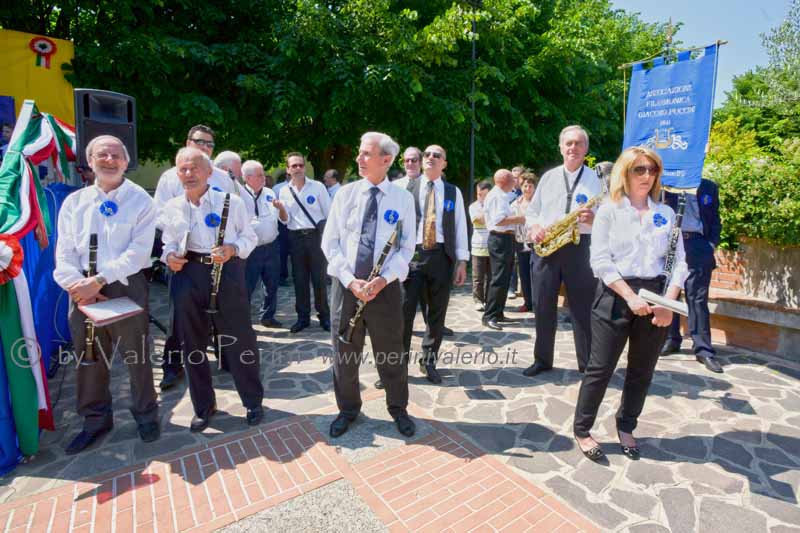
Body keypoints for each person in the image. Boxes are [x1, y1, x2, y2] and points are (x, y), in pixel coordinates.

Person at [573, 146, 688, 461]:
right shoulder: (610, 211)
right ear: (625, 173)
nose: (647, 176)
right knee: (600, 368)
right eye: (640, 169)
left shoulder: (665, 214)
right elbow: (600, 261)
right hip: (615, 294)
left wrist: (668, 303)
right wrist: (630, 297)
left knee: (642, 371)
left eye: (652, 170)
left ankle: (626, 426)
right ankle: (582, 429)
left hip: (657, 299)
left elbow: (680, 263)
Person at [53, 135, 159, 454]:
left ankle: (146, 415)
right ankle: (95, 420)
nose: (110, 159)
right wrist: (77, 285)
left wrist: (97, 280)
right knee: (89, 358)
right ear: (90, 161)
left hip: (125, 285)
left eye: (116, 154)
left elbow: (139, 253)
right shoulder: (75, 203)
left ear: (126, 162)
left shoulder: (141, 200)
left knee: (136, 356)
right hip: (83, 291)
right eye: (102, 154)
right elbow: (64, 252)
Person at [160, 147, 264, 431]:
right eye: (183, 169)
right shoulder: (172, 207)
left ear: (209, 172)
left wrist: (233, 248)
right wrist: (169, 257)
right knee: (191, 342)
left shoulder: (230, 201)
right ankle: (204, 406)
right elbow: (168, 242)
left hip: (226, 270)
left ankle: (253, 401)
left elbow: (249, 236)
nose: (189, 174)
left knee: (239, 337)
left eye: (194, 168)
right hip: (188, 272)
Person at [322, 131, 416, 438]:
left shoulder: (403, 199)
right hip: (347, 287)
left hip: (384, 289)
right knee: (345, 354)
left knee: (390, 352)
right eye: (360, 153)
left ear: (386, 160)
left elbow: (406, 248)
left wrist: (383, 279)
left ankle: (398, 408)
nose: (359, 159)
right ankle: (348, 409)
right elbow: (331, 243)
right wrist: (351, 281)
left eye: (366, 154)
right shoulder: (345, 195)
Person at [153, 125, 236, 390]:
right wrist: (171, 251)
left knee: (221, 311)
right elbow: (158, 217)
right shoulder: (169, 177)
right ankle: (173, 365)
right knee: (179, 316)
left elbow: (238, 212)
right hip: (183, 257)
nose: (206, 147)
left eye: (211, 144)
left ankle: (228, 357)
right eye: (201, 142)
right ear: (188, 142)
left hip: (217, 256)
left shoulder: (222, 177)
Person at [524, 125, 603, 376]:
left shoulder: (596, 180)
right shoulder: (548, 178)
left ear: (586, 149)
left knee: (582, 307)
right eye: (568, 143)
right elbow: (532, 211)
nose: (573, 148)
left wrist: (594, 219)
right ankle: (542, 360)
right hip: (547, 247)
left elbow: (609, 216)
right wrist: (535, 226)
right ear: (561, 147)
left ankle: (587, 362)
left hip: (580, 248)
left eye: (578, 143)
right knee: (542, 305)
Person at [400, 145, 469, 384]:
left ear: (444, 163)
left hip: (441, 256)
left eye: (436, 155)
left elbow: (460, 226)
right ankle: (397, 367)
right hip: (412, 255)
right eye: (426, 155)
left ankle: (428, 361)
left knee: (436, 314)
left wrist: (462, 261)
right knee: (404, 312)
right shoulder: (405, 188)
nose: (430, 158)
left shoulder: (452, 192)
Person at [660, 178, 724, 373]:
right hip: (671, 243)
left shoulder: (708, 187)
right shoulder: (666, 184)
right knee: (670, 293)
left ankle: (703, 349)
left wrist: (710, 245)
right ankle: (671, 340)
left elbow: (714, 219)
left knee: (697, 297)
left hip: (697, 244)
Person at [278, 152, 332, 333]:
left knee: (319, 279)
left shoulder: (317, 187)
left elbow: (329, 214)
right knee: (299, 280)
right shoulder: (284, 191)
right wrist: (280, 210)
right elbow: (285, 220)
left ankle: (324, 316)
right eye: (294, 166)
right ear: (288, 169)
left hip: (315, 237)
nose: (298, 168)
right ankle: (303, 318)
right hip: (295, 238)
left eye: (300, 165)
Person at [242, 160, 289, 328]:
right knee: (247, 287)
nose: (264, 177)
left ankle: (267, 316)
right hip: (250, 250)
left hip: (271, 246)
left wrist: (281, 208)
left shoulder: (270, 192)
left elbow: (284, 220)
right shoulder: (238, 195)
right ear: (247, 178)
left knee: (272, 285)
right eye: (260, 175)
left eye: (263, 174)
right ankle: (243, 321)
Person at [481, 169, 526, 330]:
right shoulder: (496, 196)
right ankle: (489, 316)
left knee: (505, 277)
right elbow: (499, 220)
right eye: (513, 179)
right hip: (499, 239)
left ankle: (498, 312)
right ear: (505, 181)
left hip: (505, 239)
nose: (515, 182)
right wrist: (521, 218)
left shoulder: (501, 195)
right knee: (498, 278)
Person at [513, 173, 537, 313]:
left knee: (536, 274)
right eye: (525, 186)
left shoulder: (538, 202)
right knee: (523, 274)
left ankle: (536, 302)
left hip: (535, 243)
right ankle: (527, 302)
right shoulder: (516, 203)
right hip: (520, 242)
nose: (527, 188)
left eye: (530, 186)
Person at [469, 181, 492, 311]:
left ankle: (489, 299)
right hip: (478, 246)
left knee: (491, 276)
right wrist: (489, 214)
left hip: (492, 247)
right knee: (478, 276)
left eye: (485, 195)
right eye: (479, 195)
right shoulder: (473, 206)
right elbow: (477, 220)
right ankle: (478, 300)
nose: (482, 198)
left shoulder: (493, 206)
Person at [272, 168, 292, 286]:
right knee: (283, 251)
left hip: (295, 223)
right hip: (282, 223)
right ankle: (282, 276)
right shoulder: (278, 188)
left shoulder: (299, 186)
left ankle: (297, 275)